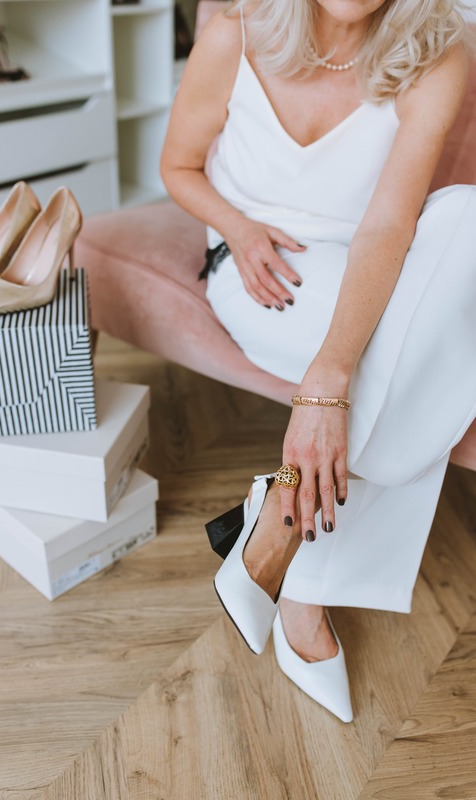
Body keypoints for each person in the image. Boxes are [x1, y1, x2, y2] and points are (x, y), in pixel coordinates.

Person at [160, 0, 476, 723]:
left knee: (467, 216)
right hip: (258, 272)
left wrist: (328, 377)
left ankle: (283, 530)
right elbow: (175, 164)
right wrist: (237, 229)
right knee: (431, 356)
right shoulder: (233, 33)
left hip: (367, 269)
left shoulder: (437, 53)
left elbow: (392, 224)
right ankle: (302, 589)